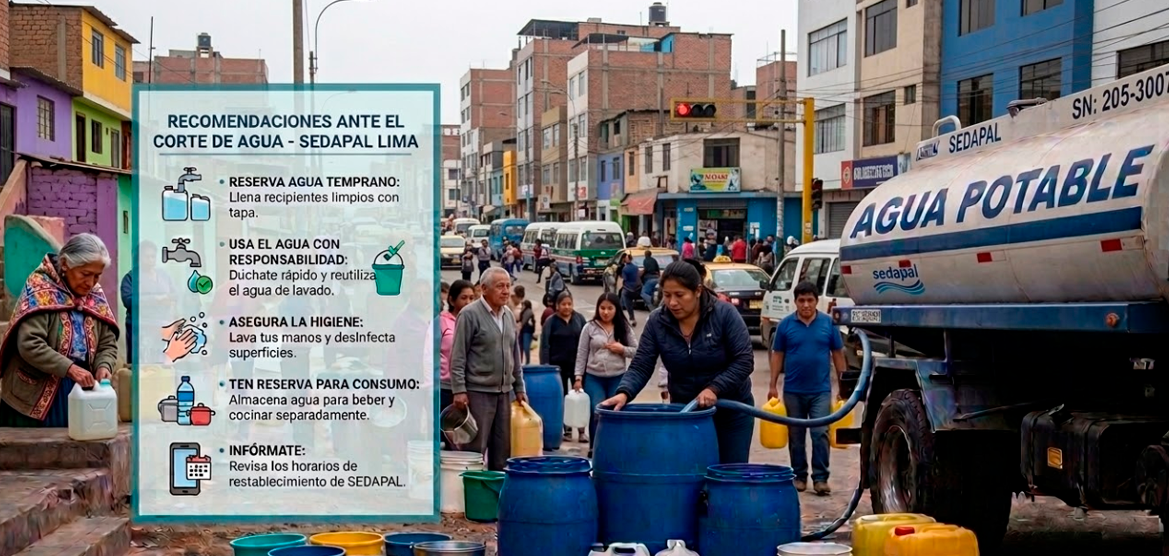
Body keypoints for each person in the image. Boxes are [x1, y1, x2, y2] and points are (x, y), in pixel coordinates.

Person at [601, 259, 755, 464]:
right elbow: (641, 364)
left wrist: (715, 388)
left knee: (729, 476)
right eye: (667, 295)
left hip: (732, 411)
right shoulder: (658, 321)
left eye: (680, 295)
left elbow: (744, 360)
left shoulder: (724, 314)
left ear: (698, 291)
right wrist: (624, 392)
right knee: (690, 475)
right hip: (686, 412)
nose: (672, 302)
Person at [0, 234, 120, 427]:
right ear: (65, 264)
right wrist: (70, 369)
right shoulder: (40, 288)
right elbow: (30, 344)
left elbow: (107, 343)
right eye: (85, 274)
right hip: (35, 393)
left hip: (80, 389)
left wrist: (104, 366)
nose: (91, 283)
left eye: (97, 276)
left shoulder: (94, 294)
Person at [767, 281, 848, 495]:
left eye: (810, 300)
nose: (805, 305)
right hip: (793, 391)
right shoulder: (785, 325)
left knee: (820, 433)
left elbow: (838, 355)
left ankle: (821, 478)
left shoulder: (828, 324)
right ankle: (799, 476)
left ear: (816, 301)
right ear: (795, 302)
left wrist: (844, 385)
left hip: (821, 391)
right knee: (796, 436)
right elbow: (778, 356)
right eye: (801, 300)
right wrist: (772, 384)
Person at [449, 267, 528, 470]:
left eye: (508, 286)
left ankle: (496, 495)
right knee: (475, 449)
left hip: (504, 393)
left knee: (502, 450)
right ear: (484, 289)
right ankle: (471, 495)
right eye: (500, 286)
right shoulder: (469, 315)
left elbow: (515, 355)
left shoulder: (508, 315)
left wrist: (519, 387)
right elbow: (458, 356)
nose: (505, 291)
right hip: (478, 393)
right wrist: (459, 390)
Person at [574, 292, 637, 453]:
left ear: (616, 309)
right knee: (597, 411)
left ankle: (615, 449)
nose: (606, 312)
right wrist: (578, 376)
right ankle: (595, 448)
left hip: (618, 378)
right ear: (598, 308)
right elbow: (582, 353)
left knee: (616, 413)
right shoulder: (590, 327)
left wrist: (622, 349)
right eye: (602, 308)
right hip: (594, 378)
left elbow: (637, 351)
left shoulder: (624, 327)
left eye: (610, 308)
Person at [539, 291, 588, 441]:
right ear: (557, 306)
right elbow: (545, 345)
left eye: (569, 304)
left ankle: (581, 431)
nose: (567, 307)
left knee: (579, 398)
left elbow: (586, 342)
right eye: (563, 304)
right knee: (561, 398)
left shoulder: (579, 319)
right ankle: (565, 430)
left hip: (577, 366)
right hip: (556, 367)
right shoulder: (551, 322)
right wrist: (546, 368)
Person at [431, 280, 475, 410]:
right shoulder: (441, 322)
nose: (468, 302)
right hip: (445, 387)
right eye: (464, 298)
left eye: (472, 298)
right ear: (451, 300)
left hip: (470, 387)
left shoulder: (476, 322)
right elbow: (429, 354)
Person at [619, 252, 640, 326]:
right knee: (622, 300)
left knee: (627, 304)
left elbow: (625, 279)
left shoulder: (625, 269)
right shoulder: (636, 267)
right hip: (636, 288)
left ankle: (631, 318)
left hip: (628, 289)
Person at [518, 300, 535, 365]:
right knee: (521, 347)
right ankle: (521, 361)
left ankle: (527, 361)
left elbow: (523, 321)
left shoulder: (528, 312)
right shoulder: (525, 311)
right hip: (524, 331)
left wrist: (520, 326)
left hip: (527, 331)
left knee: (526, 347)